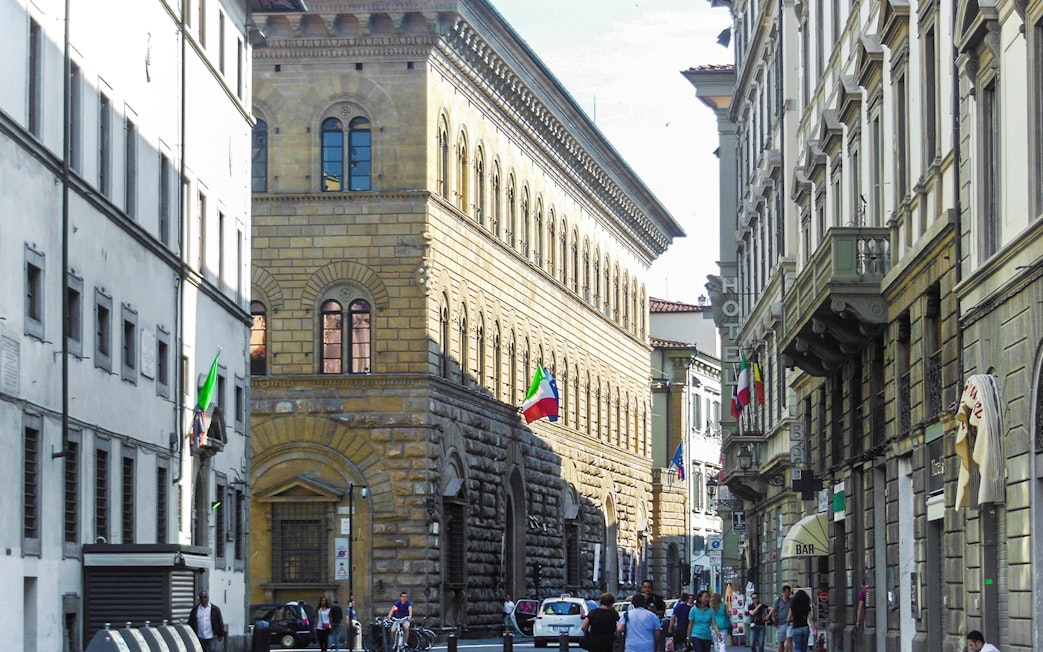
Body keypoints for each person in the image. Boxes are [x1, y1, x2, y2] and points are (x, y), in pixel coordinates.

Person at [767, 586, 791, 652]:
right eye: (787, 592)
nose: (788, 594)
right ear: (783, 592)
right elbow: (773, 610)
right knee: (781, 642)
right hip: (780, 623)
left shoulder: (791, 601)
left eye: (789, 592)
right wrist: (773, 619)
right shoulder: (778, 600)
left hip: (789, 623)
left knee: (789, 638)